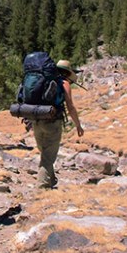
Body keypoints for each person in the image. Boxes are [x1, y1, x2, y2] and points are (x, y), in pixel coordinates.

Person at [30, 59, 84, 189]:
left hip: (36, 118)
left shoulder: (41, 79)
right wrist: (78, 125)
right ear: (67, 72)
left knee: (44, 151)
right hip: (52, 121)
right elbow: (70, 107)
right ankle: (42, 186)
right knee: (48, 156)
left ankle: (51, 179)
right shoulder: (64, 83)